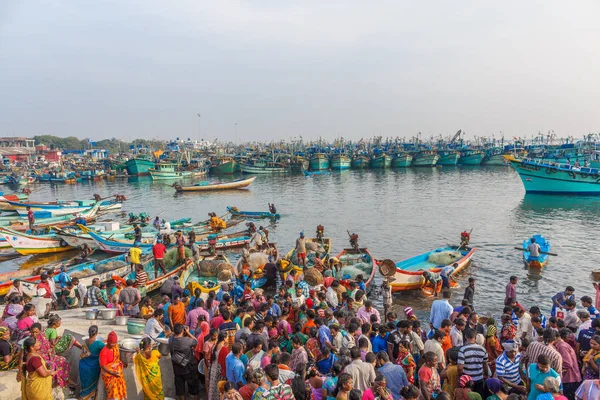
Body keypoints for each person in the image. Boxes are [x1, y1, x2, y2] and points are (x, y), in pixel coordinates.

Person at [21, 336, 55, 400]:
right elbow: (44, 374)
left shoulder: (29, 355)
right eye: (37, 342)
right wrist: (51, 372)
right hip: (38, 390)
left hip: (32, 387)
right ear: (31, 347)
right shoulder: (34, 359)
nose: (39, 343)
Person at [170, 323, 199, 400]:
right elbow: (196, 341)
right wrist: (188, 332)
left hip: (177, 369)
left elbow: (172, 336)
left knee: (180, 388)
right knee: (193, 386)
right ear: (182, 331)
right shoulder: (187, 341)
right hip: (189, 368)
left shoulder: (171, 341)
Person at [458, 329, 489, 397]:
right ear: (475, 337)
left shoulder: (462, 350)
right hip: (479, 378)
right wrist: (486, 375)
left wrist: (460, 376)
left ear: (466, 337)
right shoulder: (483, 349)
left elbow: (460, 367)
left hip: (467, 381)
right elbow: (485, 364)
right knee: (478, 396)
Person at [79, 325, 105, 400]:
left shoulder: (85, 341)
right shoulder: (99, 344)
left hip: (83, 365)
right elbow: (106, 348)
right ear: (96, 333)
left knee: (85, 386)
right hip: (92, 368)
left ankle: (82, 396)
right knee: (90, 388)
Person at [100, 331, 127, 400]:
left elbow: (118, 357)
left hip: (117, 372)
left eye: (115, 343)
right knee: (113, 391)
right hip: (108, 373)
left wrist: (123, 362)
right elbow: (103, 366)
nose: (114, 345)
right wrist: (112, 373)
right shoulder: (104, 352)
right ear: (108, 342)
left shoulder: (116, 347)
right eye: (112, 344)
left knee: (121, 388)